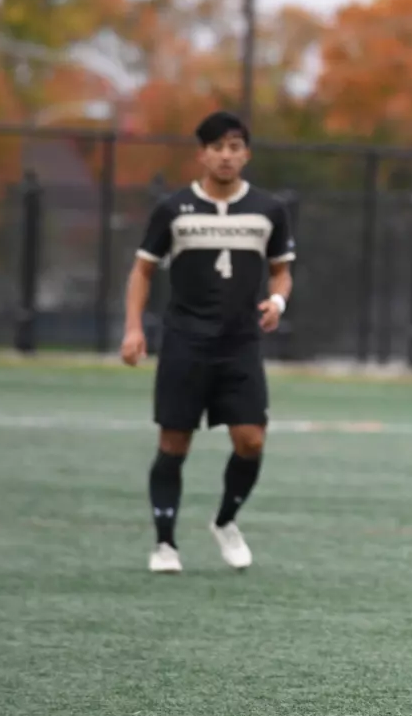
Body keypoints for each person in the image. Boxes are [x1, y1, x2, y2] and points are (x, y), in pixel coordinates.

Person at [120, 111, 296, 574]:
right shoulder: (173, 209)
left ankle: (225, 521)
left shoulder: (268, 209)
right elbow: (142, 270)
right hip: (185, 341)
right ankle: (165, 544)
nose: (225, 156)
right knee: (174, 442)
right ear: (201, 154)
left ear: (247, 154)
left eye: (234, 147)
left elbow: (281, 270)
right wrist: (133, 328)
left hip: (240, 343)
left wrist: (278, 301)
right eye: (216, 147)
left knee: (251, 440)